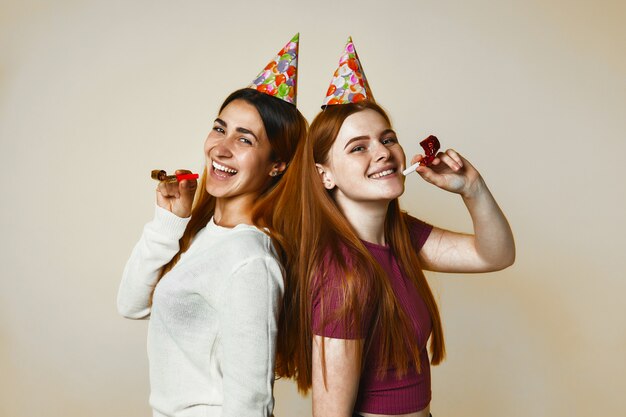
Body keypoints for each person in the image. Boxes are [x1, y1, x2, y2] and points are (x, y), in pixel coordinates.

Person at [268, 38, 515, 417]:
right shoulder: (342, 276)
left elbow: (494, 255)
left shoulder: (401, 235)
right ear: (325, 175)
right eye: (358, 147)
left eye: (387, 139)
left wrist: (472, 189)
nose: (383, 152)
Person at [117, 34, 307, 417]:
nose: (221, 148)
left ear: (277, 164)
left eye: (245, 139)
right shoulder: (205, 234)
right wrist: (170, 222)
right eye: (220, 129)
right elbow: (131, 304)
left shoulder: (251, 260)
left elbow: (251, 403)